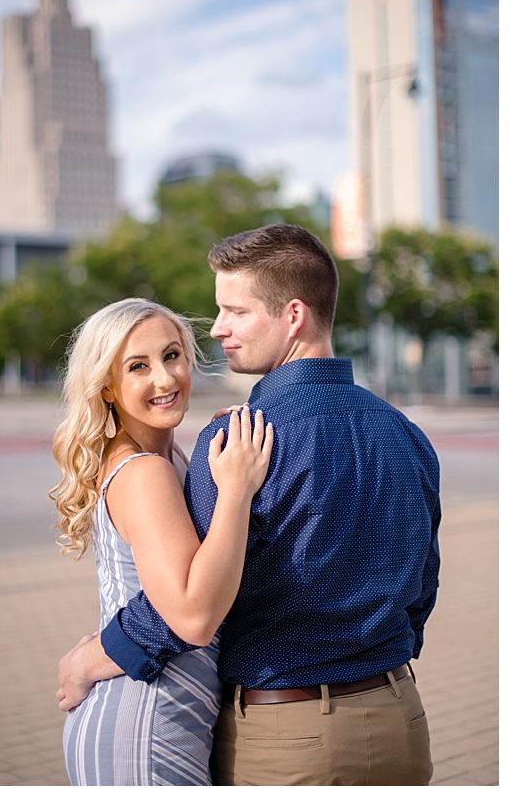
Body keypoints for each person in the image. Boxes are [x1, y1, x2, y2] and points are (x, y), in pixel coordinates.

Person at [56, 224, 440, 785]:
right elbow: (423, 584)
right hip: (402, 720)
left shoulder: (239, 447)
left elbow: (186, 606)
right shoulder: (406, 434)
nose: (218, 329)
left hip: (288, 733)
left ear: (292, 316)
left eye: (235, 311)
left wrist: (94, 656)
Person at [49, 298, 272, 784]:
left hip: (161, 712)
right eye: (138, 367)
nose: (165, 379)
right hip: (146, 723)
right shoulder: (144, 472)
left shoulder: (167, 459)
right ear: (107, 387)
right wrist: (235, 490)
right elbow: (191, 616)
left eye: (172, 356)